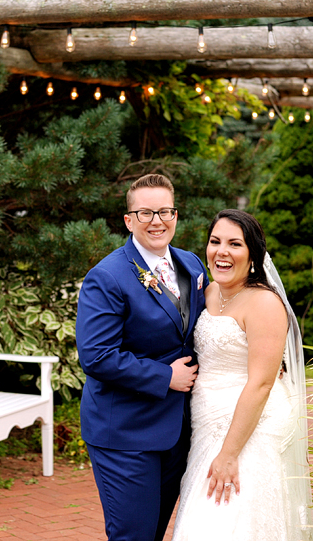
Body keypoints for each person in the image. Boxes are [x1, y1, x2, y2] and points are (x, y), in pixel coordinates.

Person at [76, 174, 209, 541]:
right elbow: (96, 355)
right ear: (129, 220)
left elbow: (211, 326)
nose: (157, 221)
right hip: (125, 431)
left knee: (153, 532)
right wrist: (163, 377)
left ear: (176, 216)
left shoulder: (192, 265)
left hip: (178, 429)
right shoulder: (106, 277)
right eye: (146, 212)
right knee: (133, 535)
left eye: (165, 211)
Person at [172, 209, 313, 541]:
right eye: (215, 241)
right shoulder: (207, 293)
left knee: (229, 519)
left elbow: (263, 381)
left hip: (250, 425)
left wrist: (229, 453)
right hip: (207, 422)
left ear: (252, 255)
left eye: (234, 244)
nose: (222, 251)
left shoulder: (264, 304)